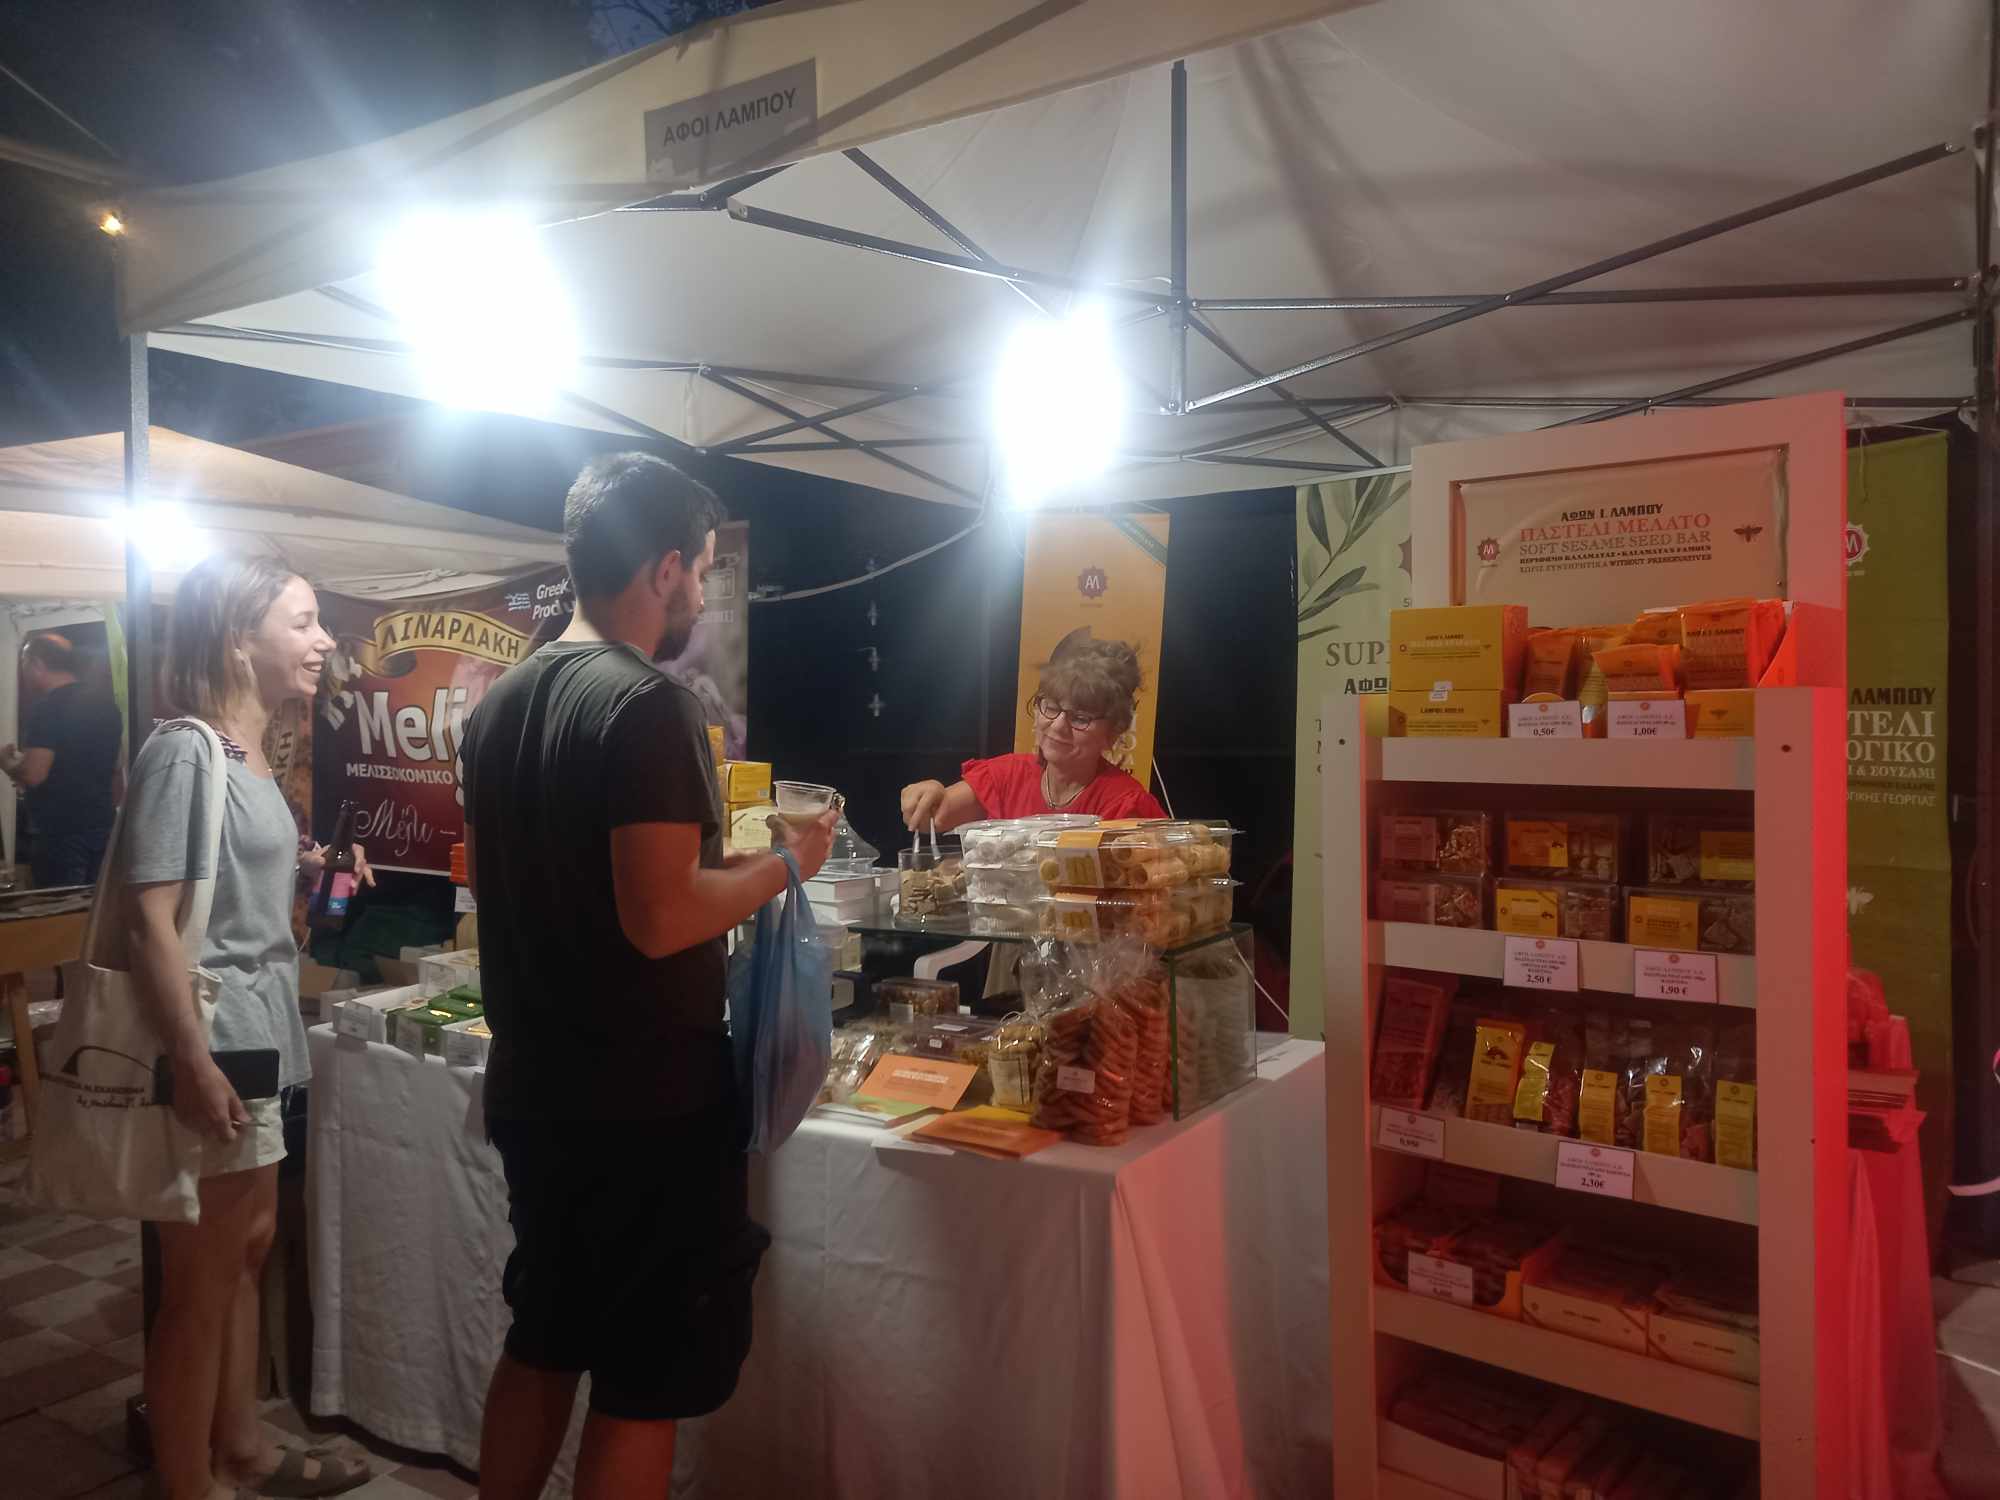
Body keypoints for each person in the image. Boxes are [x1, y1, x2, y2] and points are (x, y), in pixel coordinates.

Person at [461, 453, 837, 1500]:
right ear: (665, 568)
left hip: (535, 1089)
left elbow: (530, 883)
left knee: (545, 1334)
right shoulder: (646, 705)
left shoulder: (500, 706)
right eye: (703, 572)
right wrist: (787, 865)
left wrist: (726, 867)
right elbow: (661, 916)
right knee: (640, 1379)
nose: (703, 596)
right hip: (644, 1107)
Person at [109, 556, 372, 1500]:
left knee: (250, 1246)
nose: (324, 641)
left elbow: (232, 877)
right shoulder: (185, 750)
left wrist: (311, 867)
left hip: (262, 1033)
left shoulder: (250, 753)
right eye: (302, 622)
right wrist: (191, 1060)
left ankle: (244, 1447)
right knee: (201, 1277)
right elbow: (149, 919)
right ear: (236, 640)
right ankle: (189, 1482)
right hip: (216, 1036)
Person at [899, 637, 1166, 831]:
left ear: (1114, 732)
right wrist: (928, 794)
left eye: (1080, 718)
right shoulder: (1007, 776)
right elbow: (932, 818)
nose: (1057, 726)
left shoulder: (1126, 805)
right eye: (1051, 707)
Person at [1, 633, 123, 886]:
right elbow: (115, 769)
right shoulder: (106, 706)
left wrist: (8, 763)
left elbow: (34, 774)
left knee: (62, 905)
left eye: (24, 663)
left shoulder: (47, 708)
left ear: (36, 663)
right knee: (96, 902)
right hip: (102, 826)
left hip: (60, 833)